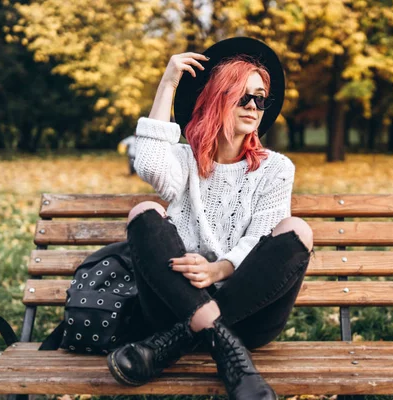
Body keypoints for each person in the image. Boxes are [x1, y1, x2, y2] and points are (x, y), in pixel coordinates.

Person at [106, 37, 314, 400]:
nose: (253, 105)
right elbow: (150, 163)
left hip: (250, 316)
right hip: (176, 304)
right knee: (144, 212)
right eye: (242, 96)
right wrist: (168, 83)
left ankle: (170, 345)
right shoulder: (185, 162)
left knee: (297, 230)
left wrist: (218, 271)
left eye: (260, 97)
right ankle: (230, 354)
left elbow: (261, 239)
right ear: (217, 97)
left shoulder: (276, 169)